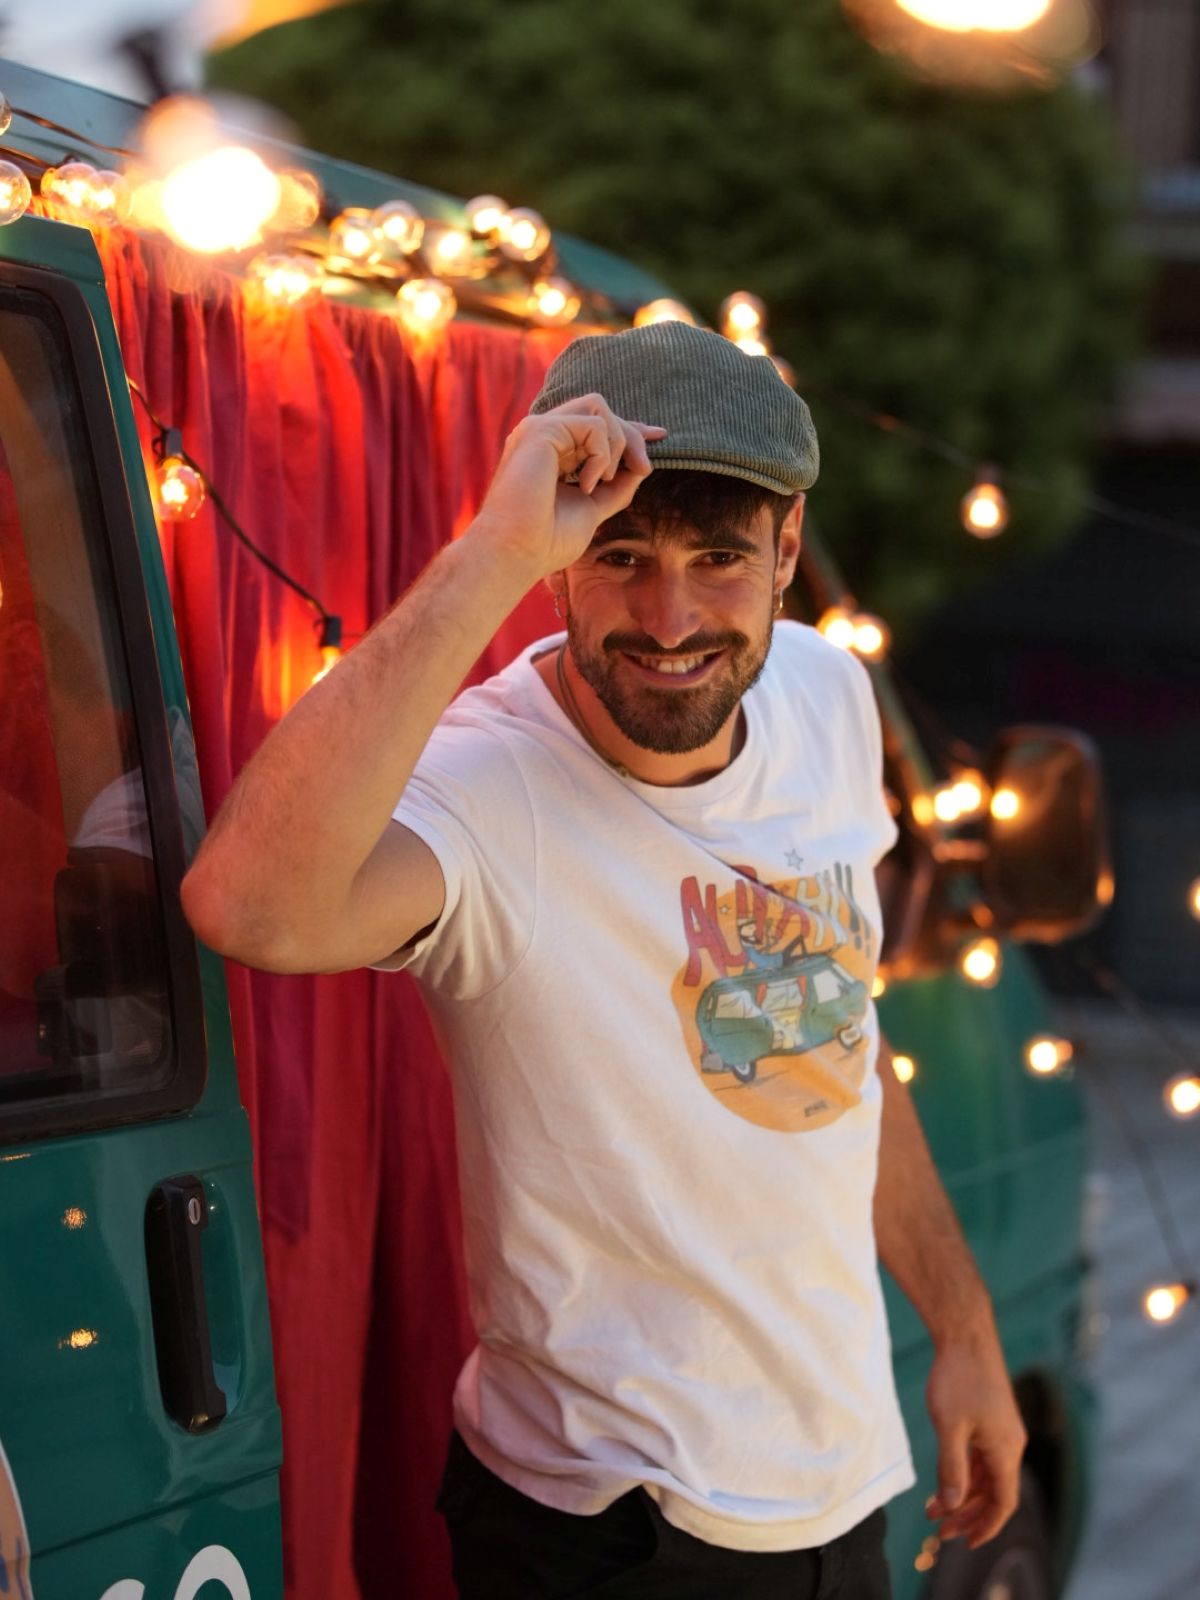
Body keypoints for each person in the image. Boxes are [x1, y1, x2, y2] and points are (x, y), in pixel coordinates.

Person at [182, 322, 1027, 1599]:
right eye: (618, 555)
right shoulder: (487, 785)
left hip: (844, 1488)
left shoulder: (821, 698)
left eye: (720, 558)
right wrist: (495, 547)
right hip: (609, 1530)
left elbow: (836, 1045)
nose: (670, 616)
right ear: (562, 564)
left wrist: (963, 1328)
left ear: (788, 551)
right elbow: (249, 907)